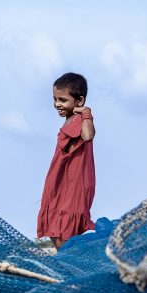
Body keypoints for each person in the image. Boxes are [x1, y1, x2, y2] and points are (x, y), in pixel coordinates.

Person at [37, 72, 96, 250]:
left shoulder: (80, 119)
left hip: (74, 184)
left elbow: (88, 136)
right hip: (59, 182)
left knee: (65, 233)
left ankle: (70, 267)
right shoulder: (69, 120)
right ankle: (65, 263)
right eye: (55, 99)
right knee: (55, 231)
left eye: (62, 100)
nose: (57, 104)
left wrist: (87, 114)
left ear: (79, 101)